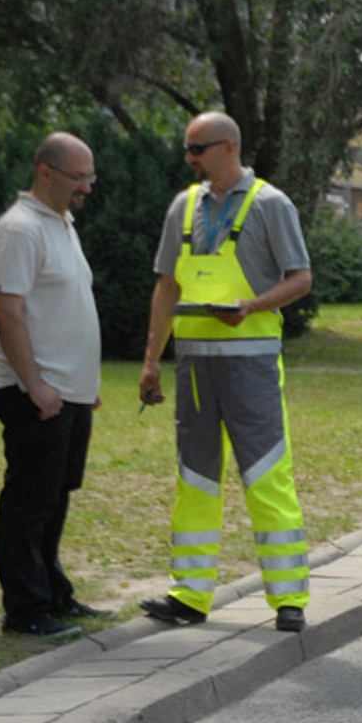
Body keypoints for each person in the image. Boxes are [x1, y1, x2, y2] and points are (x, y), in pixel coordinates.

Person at [138, 113, 314, 632]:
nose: (190, 158)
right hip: (195, 367)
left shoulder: (270, 204)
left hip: (252, 365)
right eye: (187, 149)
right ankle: (189, 595)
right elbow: (167, 287)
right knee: (194, 478)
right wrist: (152, 360)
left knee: (266, 475)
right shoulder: (184, 207)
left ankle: (288, 599)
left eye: (198, 148)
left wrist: (253, 305)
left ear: (229, 146)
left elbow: (301, 277)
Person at [0, 132, 109, 639]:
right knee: (28, 502)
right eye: (79, 178)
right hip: (36, 394)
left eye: (90, 177)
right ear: (45, 172)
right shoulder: (19, 231)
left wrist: (85, 383)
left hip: (69, 392)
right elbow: (6, 312)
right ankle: (26, 610)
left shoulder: (62, 224)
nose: (87, 188)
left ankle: (54, 592)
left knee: (56, 497)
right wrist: (34, 384)